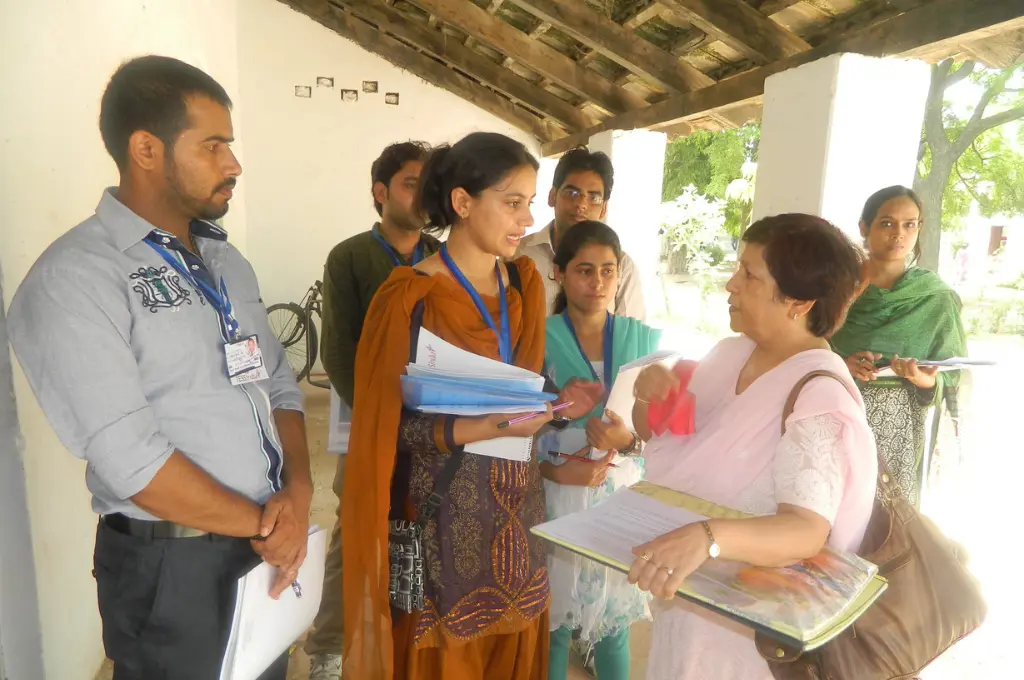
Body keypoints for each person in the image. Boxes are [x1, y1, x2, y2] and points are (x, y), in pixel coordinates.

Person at [7, 56, 310, 679]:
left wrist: (299, 494)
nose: (234, 164)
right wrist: (266, 523)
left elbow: (276, 383)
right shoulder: (75, 279)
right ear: (146, 148)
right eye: (214, 145)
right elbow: (131, 457)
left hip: (262, 546)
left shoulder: (227, 262)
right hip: (172, 569)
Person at [340, 132, 603, 680]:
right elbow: (384, 428)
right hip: (445, 527)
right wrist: (468, 428)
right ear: (462, 203)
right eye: (512, 202)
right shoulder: (409, 296)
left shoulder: (524, 287)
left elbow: (518, 401)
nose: (526, 220)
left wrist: (557, 407)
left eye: (530, 203)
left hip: (516, 524)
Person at [626, 214, 878, 680]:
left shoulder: (818, 396)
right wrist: (649, 396)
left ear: (798, 302)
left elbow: (806, 531)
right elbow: (663, 441)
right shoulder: (730, 355)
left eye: (748, 274)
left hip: (748, 635)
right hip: (688, 602)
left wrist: (707, 537)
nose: (730, 285)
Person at [306, 141, 439, 680]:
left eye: (428, 185)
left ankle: (408, 638)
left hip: (432, 426)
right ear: (381, 193)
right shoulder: (350, 257)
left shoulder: (441, 257)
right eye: (411, 184)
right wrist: (378, 421)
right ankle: (329, 648)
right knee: (356, 529)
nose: (422, 195)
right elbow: (337, 352)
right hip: (366, 422)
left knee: (424, 528)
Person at [539, 221, 660, 680]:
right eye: (584, 270)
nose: (597, 283)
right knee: (553, 621)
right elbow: (511, 428)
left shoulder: (640, 341)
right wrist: (551, 473)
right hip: (557, 494)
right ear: (560, 273)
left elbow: (656, 435)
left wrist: (627, 441)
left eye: (608, 271)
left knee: (616, 623)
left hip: (622, 495)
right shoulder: (535, 339)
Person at [831, 186, 967, 508]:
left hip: (899, 428)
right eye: (887, 223)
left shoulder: (936, 297)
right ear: (864, 227)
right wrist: (837, 364)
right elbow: (799, 346)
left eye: (910, 224)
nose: (899, 234)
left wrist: (927, 380)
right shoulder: (833, 289)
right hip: (833, 413)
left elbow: (953, 371)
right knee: (827, 510)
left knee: (886, 525)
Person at [515, 146, 646, 320]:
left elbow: (632, 341)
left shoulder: (621, 266)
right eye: (572, 192)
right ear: (552, 196)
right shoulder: (519, 253)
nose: (581, 204)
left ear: (603, 208)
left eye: (593, 197)